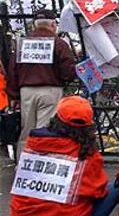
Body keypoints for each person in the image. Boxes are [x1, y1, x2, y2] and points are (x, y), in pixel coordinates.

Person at [9, 96, 119, 216]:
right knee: (116, 186)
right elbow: (98, 192)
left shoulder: (32, 144)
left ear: (56, 118)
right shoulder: (85, 154)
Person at [7, 9, 76, 160]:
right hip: (50, 90)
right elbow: (68, 71)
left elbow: (12, 72)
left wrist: (13, 95)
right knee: (45, 130)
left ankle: (22, 165)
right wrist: (64, 80)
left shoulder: (23, 44)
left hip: (26, 92)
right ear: (53, 24)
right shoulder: (59, 44)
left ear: (34, 25)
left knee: (27, 130)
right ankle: (41, 166)